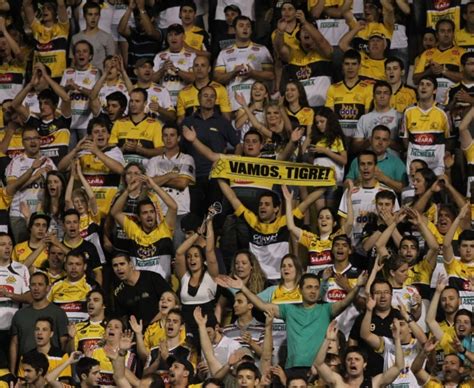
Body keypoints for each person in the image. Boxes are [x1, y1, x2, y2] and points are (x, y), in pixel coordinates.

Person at [217, 271, 367, 371]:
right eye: (309, 287)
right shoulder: (289, 309)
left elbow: (344, 302)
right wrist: (243, 287)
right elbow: (262, 305)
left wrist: (358, 285)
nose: (313, 291)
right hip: (293, 369)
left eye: (316, 287)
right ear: (300, 290)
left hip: (319, 370)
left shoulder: (326, 310)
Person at [217, 178, 324, 282]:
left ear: (276, 209)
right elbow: (232, 198)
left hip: (279, 278)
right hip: (256, 279)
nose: (262, 207)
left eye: (267, 204)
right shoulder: (252, 221)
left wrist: (326, 187)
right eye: (260, 204)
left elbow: (307, 202)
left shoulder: (284, 222)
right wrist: (219, 177)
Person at [181, 85, 240, 217]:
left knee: (214, 217)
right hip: (193, 178)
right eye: (205, 96)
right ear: (198, 98)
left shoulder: (223, 122)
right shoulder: (188, 121)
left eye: (212, 96)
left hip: (216, 178)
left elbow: (238, 144)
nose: (209, 99)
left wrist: (231, 165)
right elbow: (180, 147)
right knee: (195, 217)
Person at [110, 175, 176, 279]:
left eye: (151, 212)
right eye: (145, 213)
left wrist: (154, 186)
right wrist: (127, 191)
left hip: (161, 287)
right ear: (139, 218)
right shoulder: (134, 231)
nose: (149, 215)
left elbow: (173, 207)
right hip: (139, 287)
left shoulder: (164, 230)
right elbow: (115, 212)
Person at [146, 125, 195, 249]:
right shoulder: (153, 161)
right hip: (157, 213)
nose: (168, 138)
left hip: (180, 213)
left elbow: (182, 183)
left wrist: (157, 180)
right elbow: (147, 184)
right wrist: (169, 175)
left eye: (172, 135)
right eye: (165, 135)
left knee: (178, 251)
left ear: (178, 138)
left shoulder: (187, 159)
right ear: (162, 138)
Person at [314, 320, 404, 388]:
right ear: (345, 363)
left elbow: (398, 366)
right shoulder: (338, 382)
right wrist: (327, 339)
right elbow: (318, 364)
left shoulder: (374, 383)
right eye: (349, 359)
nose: (353, 362)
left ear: (364, 364)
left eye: (357, 359)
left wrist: (397, 340)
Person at [9, 272, 68, 374]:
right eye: (33, 284)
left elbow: (64, 343)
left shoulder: (58, 313)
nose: (36, 288)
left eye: (40, 285)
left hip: (52, 368)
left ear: (48, 288)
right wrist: (12, 372)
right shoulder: (19, 315)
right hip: (25, 371)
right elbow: (14, 344)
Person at [214, 15, 274, 111]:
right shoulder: (224, 53)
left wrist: (252, 73)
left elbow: (271, 75)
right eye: (241, 25)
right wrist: (233, 72)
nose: (245, 28)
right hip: (233, 105)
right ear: (234, 29)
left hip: (258, 107)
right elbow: (217, 78)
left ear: (251, 30)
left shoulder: (262, 50)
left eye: (248, 26)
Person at [401, 75, 451, 176]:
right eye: (421, 84)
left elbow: (450, 139)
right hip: (414, 164)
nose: (423, 87)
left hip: (436, 165)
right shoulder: (408, 111)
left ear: (434, 91)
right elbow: (404, 137)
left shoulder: (444, 112)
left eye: (428, 85)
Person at [111, 254, 171, 327]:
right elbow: (122, 318)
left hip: (161, 327)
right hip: (138, 333)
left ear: (131, 264)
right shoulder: (118, 292)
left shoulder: (152, 278)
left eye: (122, 264)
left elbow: (173, 303)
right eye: (115, 265)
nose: (119, 268)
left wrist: (151, 324)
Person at [325, 49, 373, 140]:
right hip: (339, 137)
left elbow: (368, 117)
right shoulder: (333, 88)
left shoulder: (368, 88)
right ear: (342, 66)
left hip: (359, 137)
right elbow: (330, 117)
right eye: (347, 64)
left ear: (359, 66)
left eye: (354, 64)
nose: (350, 67)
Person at [414, 19, 464, 103]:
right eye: (442, 31)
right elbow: (415, 79)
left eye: (449, 31)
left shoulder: (462, 53)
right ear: (437, 35)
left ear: (453, 34)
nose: (446, 34)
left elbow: (467, 78)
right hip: (430, 103)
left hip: (454, 101)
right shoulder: (426, 54)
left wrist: (443, 71)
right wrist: (429, 71)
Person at [109, 88, 164, 166]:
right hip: (121, 168)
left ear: (145, 103)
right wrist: (122, 149)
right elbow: (110, 151)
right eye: (131, 101)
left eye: (137, 101)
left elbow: (161, 151)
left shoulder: (155, 124)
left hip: (146, 168)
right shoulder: (119, 123)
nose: (133, 104)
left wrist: (140, 150)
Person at [346, 126, 407, 193]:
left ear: (389, 142)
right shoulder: (358, 160)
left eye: (384, 139)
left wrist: (384, 179)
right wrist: (357, 182)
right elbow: (345, 186)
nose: (380, 142)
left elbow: (404, 189)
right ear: (370, 139)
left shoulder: (396, 163)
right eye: (377, 138)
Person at [177, 55, 231, 124]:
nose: (199, 68)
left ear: (209, 69)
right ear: (192, 69)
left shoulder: (220, 89)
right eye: (196, 65)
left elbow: (227, 118)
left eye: (203, 65)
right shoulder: (183, 92)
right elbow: (180, 120)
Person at [23, 0, 69, 80]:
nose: (45, 10)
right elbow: (26, 4)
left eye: (49, 8)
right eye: (43, 8)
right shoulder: (37, 28)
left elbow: (61, 4)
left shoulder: (62, 28)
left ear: (55, 12)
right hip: (39, 78)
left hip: (57, 77)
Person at [47, 251, 98, 323]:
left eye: (78, 264)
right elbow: (45, 309)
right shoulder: (55, 285)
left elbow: (99, 313)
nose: (74, 268)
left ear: (85, 266)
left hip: (84, 330)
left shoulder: (92, 286)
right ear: (65, 266)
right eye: (70, 264)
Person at [152, 23, 196, 106]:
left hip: (185, 101)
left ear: (183, 37)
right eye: (170, 35)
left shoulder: (192, 56)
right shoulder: (159, 56)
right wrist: (163, 69)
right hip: (164, 101)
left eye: (176, 34)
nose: (173, 37)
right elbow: (151, 80)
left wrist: (177, 70)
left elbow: (194, 78)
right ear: (167, 38)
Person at [353, 81, 402, 154]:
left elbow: (404, 146)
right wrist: (370, 140)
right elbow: (356, 147)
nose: (382, 96)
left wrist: (386, 140)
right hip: (370, 162)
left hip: (393, 162)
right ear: (373, 96)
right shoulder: (364, 118)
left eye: (385, 93)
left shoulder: (399, 116)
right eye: (378, 93)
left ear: (390, 96)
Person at [442, 204, 474, 311]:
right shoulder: (453, 264)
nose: (468, 250)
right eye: (465, 246)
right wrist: (459, 218)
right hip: (457, 319)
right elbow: (446, 244)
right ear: (459, 248)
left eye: (472, 246)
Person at [70, 1, 116, 71]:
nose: (93, 18)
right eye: (90, 14)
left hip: (100, 79)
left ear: (99, 16)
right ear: (85, 16)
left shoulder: (107, 38)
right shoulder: (75, 38)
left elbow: (112, 63)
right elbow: (73, 63)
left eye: (96, 14)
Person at [132, 58, 175, 123]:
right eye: (144, 67)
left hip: (157, 131)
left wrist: (160, 109)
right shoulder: (129, 90)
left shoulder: (162, 90)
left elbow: (173, 117)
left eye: (150, 67)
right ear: (136, 72)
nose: (147, 70)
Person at [66, 289, 106, 353]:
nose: (91, 303)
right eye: (89, 300)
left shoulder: (111, 327)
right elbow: (71, 354)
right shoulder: (77, 327)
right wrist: (71, 338)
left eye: (96, 300)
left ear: (103, 305)